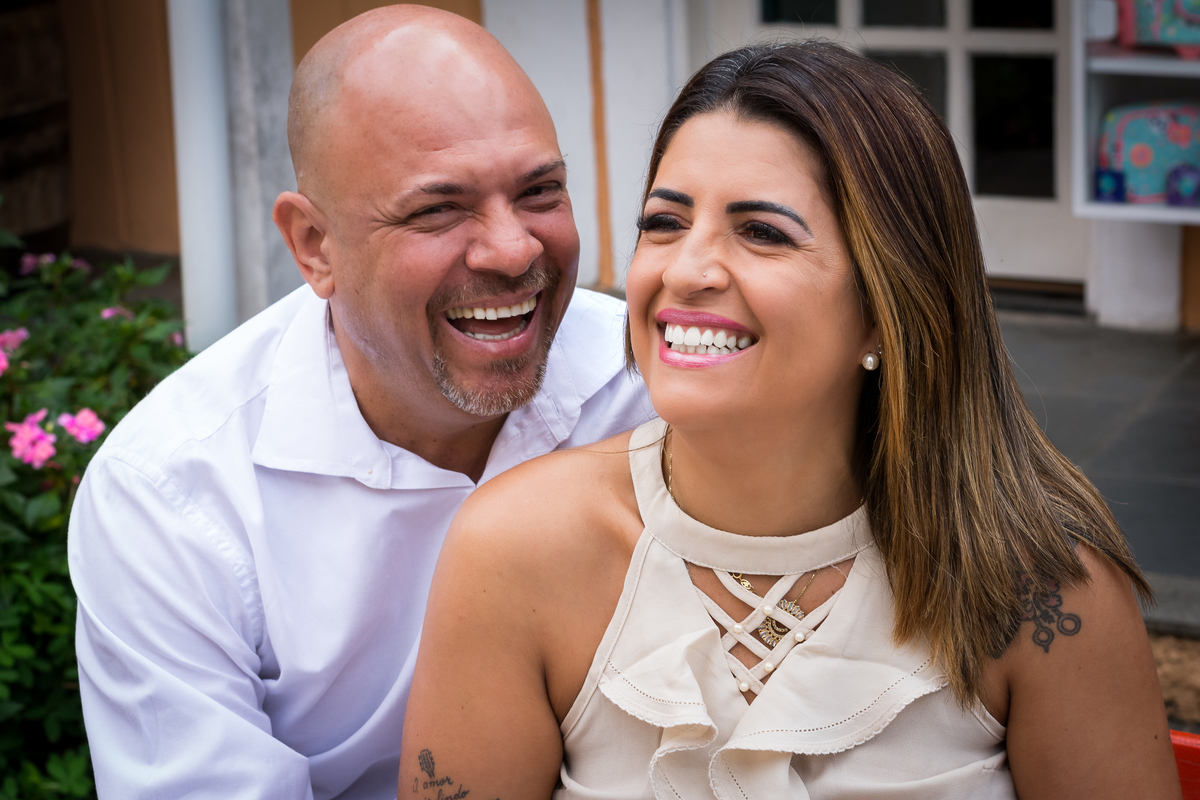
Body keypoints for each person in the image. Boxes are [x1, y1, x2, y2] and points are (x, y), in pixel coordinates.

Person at [399, 40, 1182, 799]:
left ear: (887, 307)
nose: (686, 270)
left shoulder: (1046, 589)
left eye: (762, 233)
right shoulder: (513, 553)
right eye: (664, 222)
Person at [67, 7, 652, 798]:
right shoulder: (171, 497)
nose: (515, 250)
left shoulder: (654, 388)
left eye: (540, 190)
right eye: (438, 209)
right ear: (315, 246)